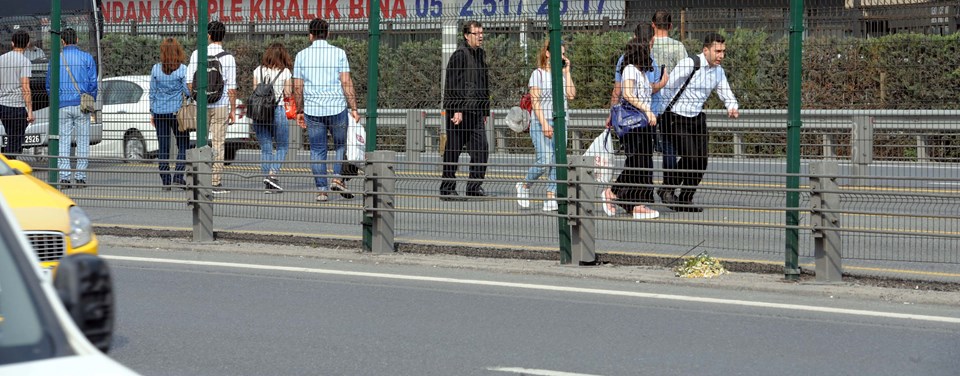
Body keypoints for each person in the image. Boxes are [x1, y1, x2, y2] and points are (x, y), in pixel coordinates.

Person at [659, 32, 740, 212]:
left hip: (697, 117)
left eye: (723, 51)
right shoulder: (690, 64)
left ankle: (685, 199)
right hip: (677, 116)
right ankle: (667, 188)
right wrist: (660, 113)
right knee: (691, 157)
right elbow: (668, 86)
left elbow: (724, 90)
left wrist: (731, 106)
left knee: (701, 160)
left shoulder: (718, 71)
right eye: (717, 51)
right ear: (706, 50)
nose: (721, 56)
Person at [293, 18, 361, 202]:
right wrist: (354, 107)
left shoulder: (301, 55)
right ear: (328, 33)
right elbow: (346, 81)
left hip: (313, 109)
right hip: (337, 106)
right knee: (341, 145)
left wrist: (299, 110)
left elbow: (298, 86)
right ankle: (338, 178)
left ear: (310, 35)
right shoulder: (338, 53)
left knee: (317, 150)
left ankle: (322, 190)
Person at [606, 24, 668, 216]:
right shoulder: (630, 70)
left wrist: (663, 81)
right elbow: (628, 95)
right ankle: (634, 202)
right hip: (634, 123)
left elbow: (647, 90)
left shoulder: (640, 73)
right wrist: (647, 111)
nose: (650, 55)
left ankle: (618, 194)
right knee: (638, 161)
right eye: (647, 51)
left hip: (644, 124)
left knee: (640, 161)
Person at [516, 39, 575, 212]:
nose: (562, 56)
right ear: (548, 53)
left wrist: (567, 72)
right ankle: (525, 185)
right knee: (545, 159)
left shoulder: (561, 75)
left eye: (563, 54)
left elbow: (571, 95)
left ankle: (551, 196)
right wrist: (544, 124)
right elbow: (535, 102)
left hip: (560, 122)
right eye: (558, 53)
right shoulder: (538, 74)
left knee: (557, 160)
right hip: (541, 121)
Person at [440, 20, 490, 201]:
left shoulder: (480, 55)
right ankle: (447, 189)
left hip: (476, 112)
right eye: (476, 33)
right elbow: (452, 85)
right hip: (459, 112)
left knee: (482, 148)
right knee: (453, 149)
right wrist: (457, 110)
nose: (481, 36)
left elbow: (483, 84)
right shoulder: (459, 55)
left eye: (482, 33)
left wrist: (485, 110)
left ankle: (474, 187)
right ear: (467, 36)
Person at [186, 20, 236, 194]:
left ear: (208, 35)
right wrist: (232, 109)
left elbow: (189, 82)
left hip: (201, 105)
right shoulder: (228, 57)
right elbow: (231, 88)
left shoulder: (197, 54)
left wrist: (198, 98)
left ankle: (199, 179)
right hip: (221, 105)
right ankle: (215, 182)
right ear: (223, 36)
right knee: (218, 144)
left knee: (201, 142)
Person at [47, 28, 97, 189]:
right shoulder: (86, 58)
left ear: (62, 41)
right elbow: (92, 83)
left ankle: (64, 177)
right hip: (82, 104)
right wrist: (90, 99)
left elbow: (49, 85)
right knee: (83, 140)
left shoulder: (55, 59)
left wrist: (56, 100)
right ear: (76, 39)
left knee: (64, 141)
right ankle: (81, 177)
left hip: (62, 104)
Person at [149, 38, 191, 190]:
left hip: (160, 112)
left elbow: (152, 92)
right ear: (178, 51)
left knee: (163, 147)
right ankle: (179, 175)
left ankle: (166, 181)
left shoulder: (155, 69)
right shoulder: (182, 69)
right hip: (177, 113)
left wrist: (152, 112)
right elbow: (187, 90)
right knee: (184, 145)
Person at [253, 42, 293, 194]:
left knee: (266, 148)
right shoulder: (285, 72)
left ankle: (267, 180)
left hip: (260, 112)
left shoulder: (258, 70)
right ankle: (272, 174)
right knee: (282, 146)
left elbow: (255, 91)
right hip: (278, 109)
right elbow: (288, 93)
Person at [650, 10, 688, 170]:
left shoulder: (646, 44)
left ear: (652, 25)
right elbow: (687, 72)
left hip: (647, 101)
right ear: (671, 26)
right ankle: (668, 186)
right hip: (671, 103)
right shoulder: (677, 47)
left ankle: (643, 186)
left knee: (644, 148)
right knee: (669, 146)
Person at [0, 30, 34, 160]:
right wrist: (29, 111)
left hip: (2, 105)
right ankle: (9, 169)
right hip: (16, 107)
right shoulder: (25, 62)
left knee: (9, 136)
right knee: (15, 142)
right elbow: (25, 87)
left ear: (12, 43)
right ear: (27, 44)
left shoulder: (1, 59)